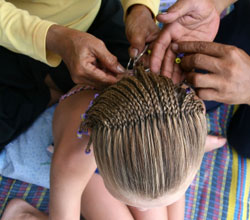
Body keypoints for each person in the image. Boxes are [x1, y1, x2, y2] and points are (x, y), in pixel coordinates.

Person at [2, 66, 209, 220]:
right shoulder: (75, 160)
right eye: (132, 202)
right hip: (86, 165)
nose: (143, 210)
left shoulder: (179, 115)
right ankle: (25, 215)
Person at [0, 0, 160, 149]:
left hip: (95, 19)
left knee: (147, 76)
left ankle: (51, 84)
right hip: (12, 35)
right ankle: (49, 83)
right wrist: (52, 38)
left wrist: (140, 8)